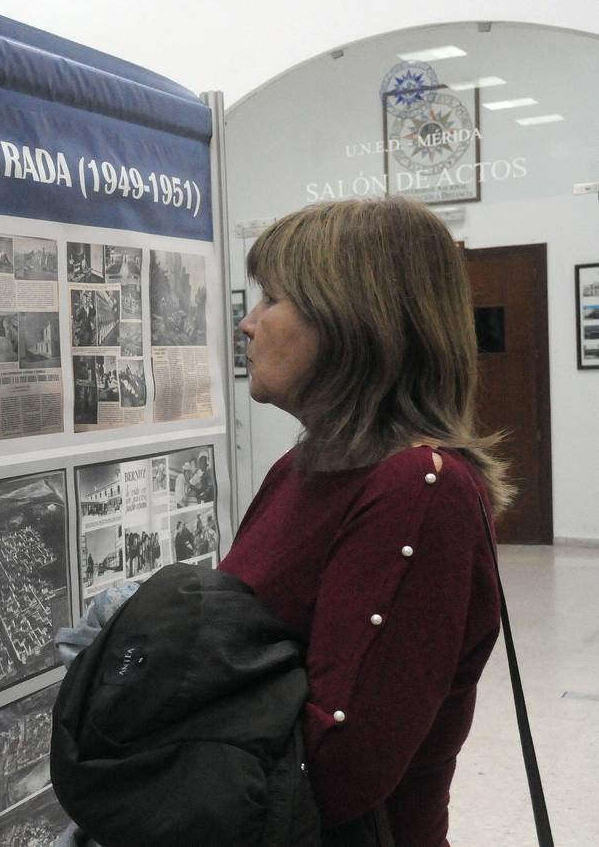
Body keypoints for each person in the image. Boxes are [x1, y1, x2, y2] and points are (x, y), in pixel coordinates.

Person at [221, 197, 509, 845]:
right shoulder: (301, 468)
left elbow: (337, 768)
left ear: (353, 319)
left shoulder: (418, 491)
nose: (247, 323)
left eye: (271, 299)